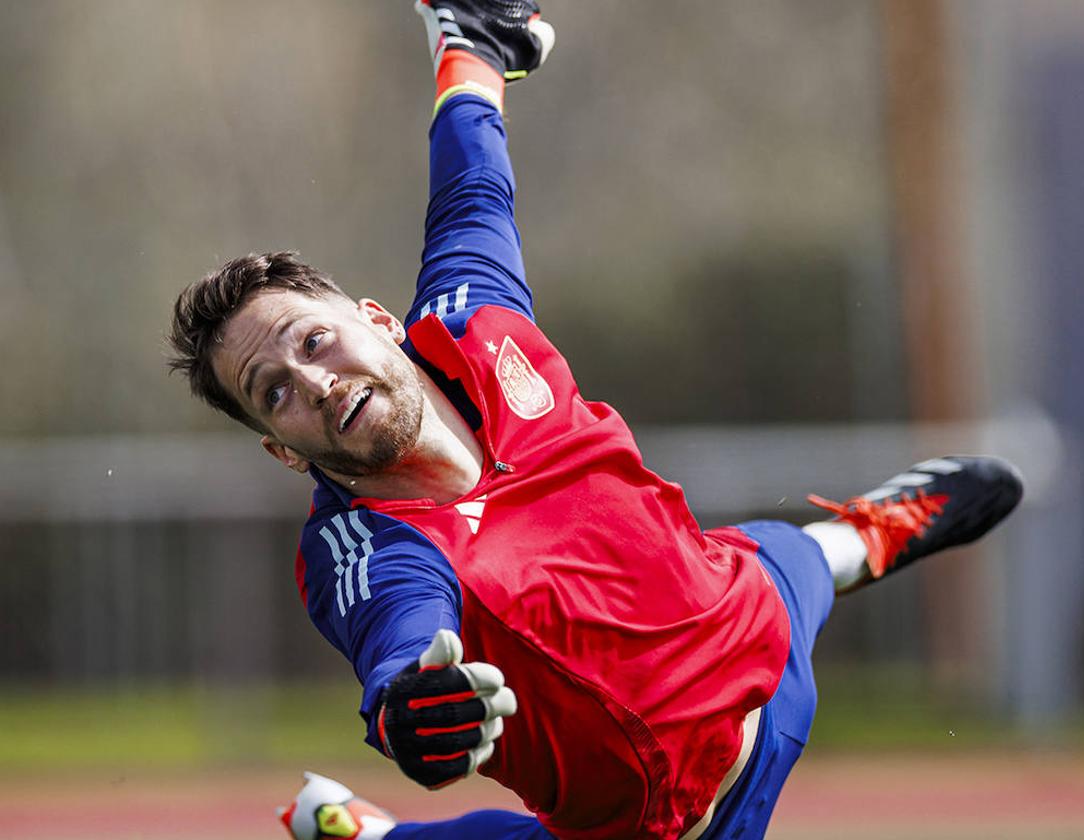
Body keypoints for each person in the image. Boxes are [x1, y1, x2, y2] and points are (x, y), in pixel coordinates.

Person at [167, 3, 1022, 838]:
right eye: (272, 390)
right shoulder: (361, 548)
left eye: (314, 340)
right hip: (662, 820)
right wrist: (410, 709)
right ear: (282, 452)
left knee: (797, 555)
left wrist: (470, 53)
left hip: (756, 622)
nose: (311, 380)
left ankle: (872, 534)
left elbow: (472, 193)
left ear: (378, 318)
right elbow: (396, 637)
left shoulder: (475, 325)